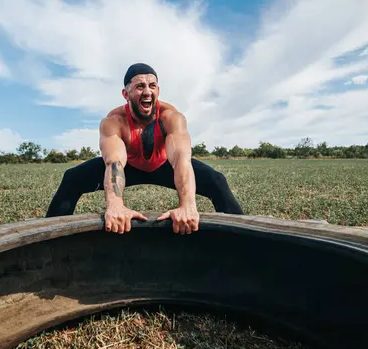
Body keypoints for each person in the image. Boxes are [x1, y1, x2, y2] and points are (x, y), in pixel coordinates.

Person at [45, 63, 244, 234]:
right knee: (72, 178)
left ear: (158, 91)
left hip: (164, 165)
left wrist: (187, 206)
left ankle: (243, 245)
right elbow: (114, 162)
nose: (147, 92)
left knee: (217, 181)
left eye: (152, 86)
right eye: (140, 86)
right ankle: (48, 241)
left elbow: (182, 159)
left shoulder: (171, 117)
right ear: (126, 93)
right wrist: (115, 205)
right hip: (129, 166)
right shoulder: (114, 122)